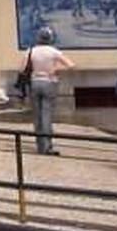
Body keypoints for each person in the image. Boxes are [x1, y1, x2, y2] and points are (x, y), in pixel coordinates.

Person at [27, 26, 75, 156]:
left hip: (35, 82)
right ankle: (48, 146)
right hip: (49, 82)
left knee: (37, 116)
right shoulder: (54, 51)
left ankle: (40, 146)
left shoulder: (31, 51)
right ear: (50, 38)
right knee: (46, 115)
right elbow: (71, 65)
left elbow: (21, 68)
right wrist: (55, 69)